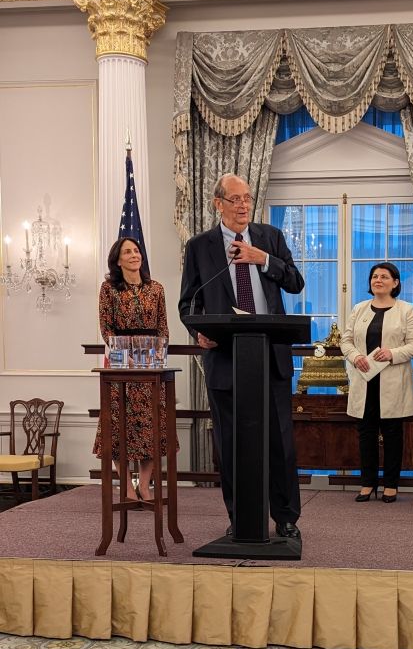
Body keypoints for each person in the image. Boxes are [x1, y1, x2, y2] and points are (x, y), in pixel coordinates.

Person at [178, 174, 305, 539]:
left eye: (247, 198)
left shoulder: (269, 238)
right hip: (226, 358)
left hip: (270, 356)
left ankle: (286, 518)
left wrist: (263, 259)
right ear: (218, 203)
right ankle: (241, 518)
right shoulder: (200, 246)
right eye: (234, 199)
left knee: (280, 442)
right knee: (231, 444)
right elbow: (189, 302)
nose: (243, 205)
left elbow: (295, 282)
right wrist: (197, 330)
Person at [93, 237, 173, 503]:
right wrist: (125, 355)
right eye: (127, 252)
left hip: (150, 367)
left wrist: (158, 353)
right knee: (118, 428)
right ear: (117, 259)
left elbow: (163, 327)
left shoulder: (156, 288)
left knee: (152, 429)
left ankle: (146, 486)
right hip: (121, 368)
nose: (133, 255)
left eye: (136, 251)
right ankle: (126, 486)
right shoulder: (108, 289)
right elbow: (106, 329)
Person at [341, 262, 413, 503]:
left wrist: (392, 353)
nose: (378, 280)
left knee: (392, 434)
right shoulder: (359, 309)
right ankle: (367, 483)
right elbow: (346, 341)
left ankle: (390, 485)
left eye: (384, 277)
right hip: (364, 379)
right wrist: (355, 356)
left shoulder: (406, 310)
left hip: (392, 380)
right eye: (374, 276)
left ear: (395, 283)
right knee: (365, 434)